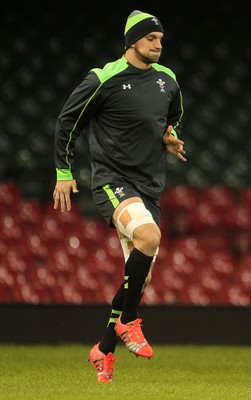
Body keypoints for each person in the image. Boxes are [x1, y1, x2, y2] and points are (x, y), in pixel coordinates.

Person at [53, 9, 187, 383]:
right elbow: (68, 120)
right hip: (113, 181)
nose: (159, 45)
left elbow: (173, 117)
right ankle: (129, 321)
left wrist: (170, 136)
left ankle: (104, 349)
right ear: (133, 41)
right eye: (151, 39)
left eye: (161, 39)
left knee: (138, 281)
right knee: (149, 237)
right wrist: (64, 173)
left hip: (149, 187)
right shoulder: (104, 78)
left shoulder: (168, 80)